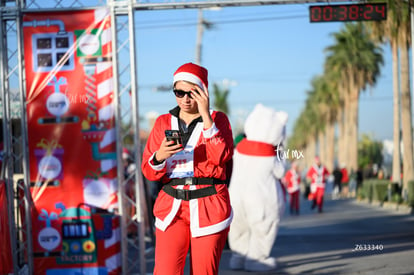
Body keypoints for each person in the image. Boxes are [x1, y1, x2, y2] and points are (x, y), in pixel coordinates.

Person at [141, 62, 234, 275]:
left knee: (204, 272)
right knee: (165, 271)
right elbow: (148, 170)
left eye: (191, 92)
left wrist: (207, 117)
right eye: (179, 92)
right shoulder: (163, 122)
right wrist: (161, 155)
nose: (185, 98)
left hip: (209, 204)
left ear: (203, 92)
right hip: (171, 207)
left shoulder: (219, 119)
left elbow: (221, 158)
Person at [228, 104, 288, 272]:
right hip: (262, 199)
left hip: (237, 198)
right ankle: (256, 259)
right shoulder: (271, 154)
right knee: (263, 228)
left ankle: (238, 257)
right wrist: (280, 150)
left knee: (239, 228)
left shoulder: (238, 150)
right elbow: (281, 171)